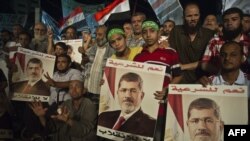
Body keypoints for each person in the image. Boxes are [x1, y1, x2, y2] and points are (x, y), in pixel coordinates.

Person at [30, 80, 98, 141]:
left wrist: (68, 120)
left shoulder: (89, 105)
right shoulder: (65, 104)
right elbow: (52, 127)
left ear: (84, 91)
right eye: (71, 87)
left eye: (77, 87)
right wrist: (41, 116)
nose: (73, 90)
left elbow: (84, 130)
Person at [98, 72, 156, 137]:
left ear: (142, 96)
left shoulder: (152, 125)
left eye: (133, 91)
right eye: (123, 90)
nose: (127, 95)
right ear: (118, 93)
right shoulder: (103, 117)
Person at [168, 2, 214, 83]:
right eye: (189, 16)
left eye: (196, 15)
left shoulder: (209, 34)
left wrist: (183, 66)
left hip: (201, 81)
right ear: (183, 18)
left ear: (200, 16)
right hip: (179, 80)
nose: (193, 18)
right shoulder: (176, 31)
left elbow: (209, 62)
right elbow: (171, 55)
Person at [200, 7, 250, 80]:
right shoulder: (215, 41)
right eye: (226, 20)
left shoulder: (248, 42)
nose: (229, 23)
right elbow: (204, 64)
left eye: (234, 19)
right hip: (220, 84)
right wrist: (226, 74)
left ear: (242, 21)